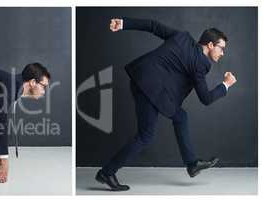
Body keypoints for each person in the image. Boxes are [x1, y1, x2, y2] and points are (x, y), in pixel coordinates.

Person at [95, 18, 238, 191]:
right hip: (150, 89)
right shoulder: (200, 64)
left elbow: (154, 27)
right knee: (145, 136)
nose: (222, 53)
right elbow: (206, 98)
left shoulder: (182, 37)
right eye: (221, 48)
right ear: (209, 45)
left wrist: (124, 23)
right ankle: (107, 172)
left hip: (143, 78)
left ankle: (192, 164)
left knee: (180, 116)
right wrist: (225, 85)